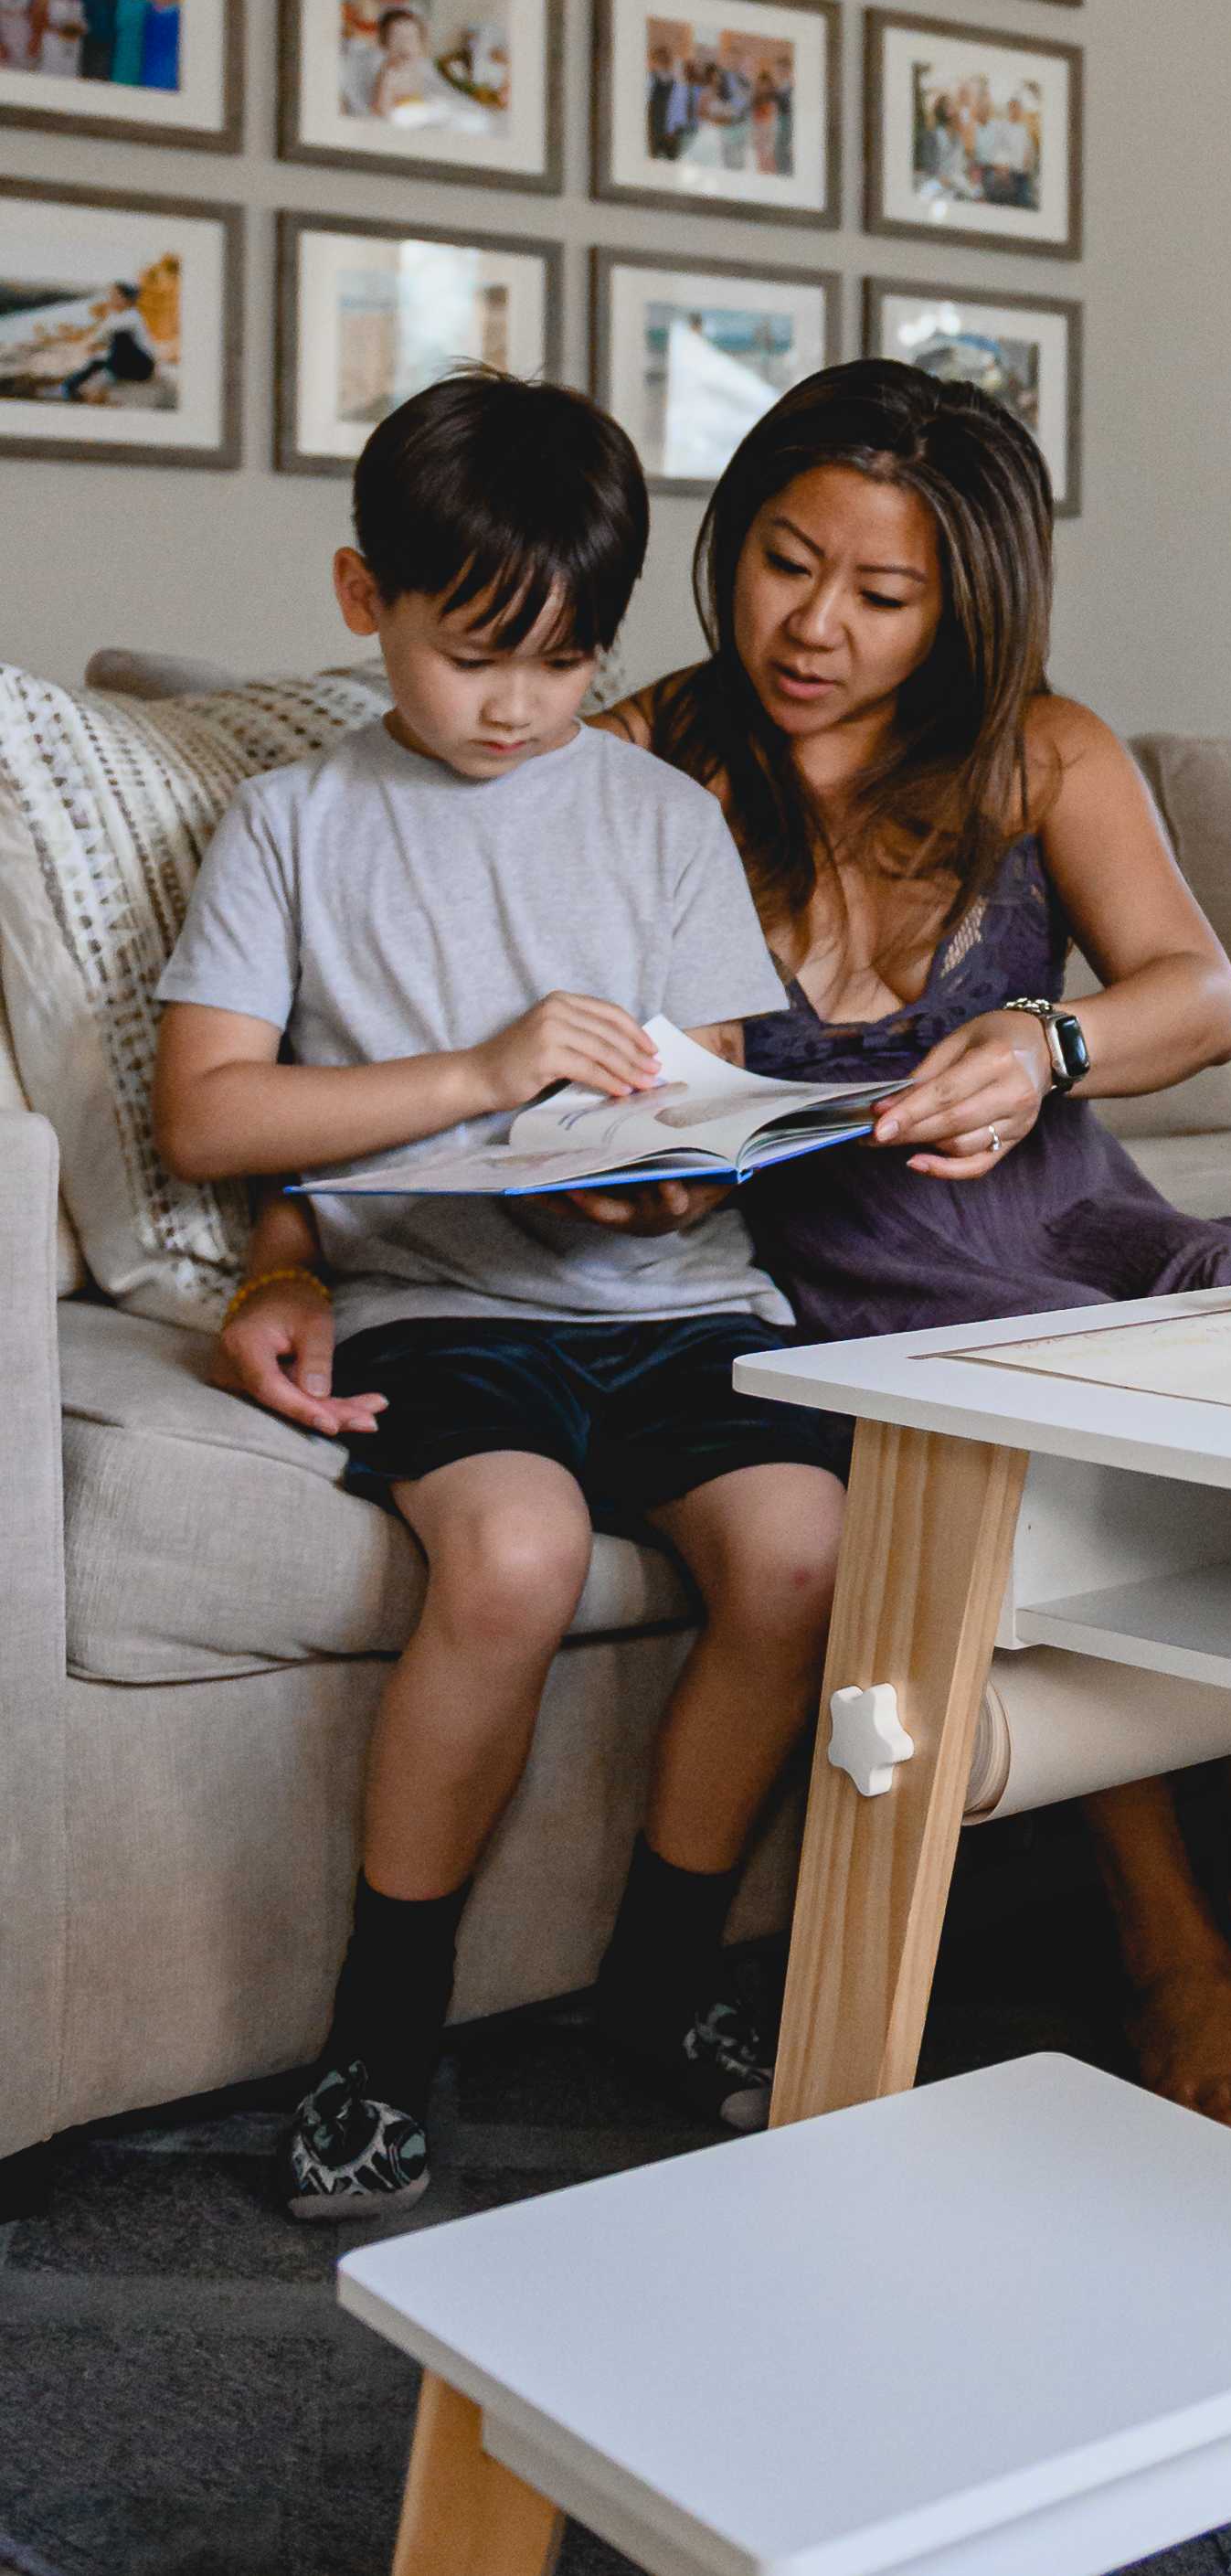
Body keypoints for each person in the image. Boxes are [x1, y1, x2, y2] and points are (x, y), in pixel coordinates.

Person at [603, 357, 1231, 2150]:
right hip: (859, 1272)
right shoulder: (643, 755)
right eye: (781, 559)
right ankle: (1166, 1936)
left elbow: (1197, 994)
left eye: (882, 592)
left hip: (1077, 1211)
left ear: (961, 604)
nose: (814, 623)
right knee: (1029, 1451)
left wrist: (1046, 1040)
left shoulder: (1040, 747)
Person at [154, 375, 849, 2221]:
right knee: (518, 1556)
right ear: (357, 591)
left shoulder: (659, 819)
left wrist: (672, 1164)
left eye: (564, 658)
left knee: (804, 1550)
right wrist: (478, 1074)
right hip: (440, 1306)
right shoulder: (293, 822)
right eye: (474, 653)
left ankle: (667, 1967)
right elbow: (209, 1105)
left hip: (676, 1291)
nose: (519, 702)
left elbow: (707, 1107)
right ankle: (383, 2034)